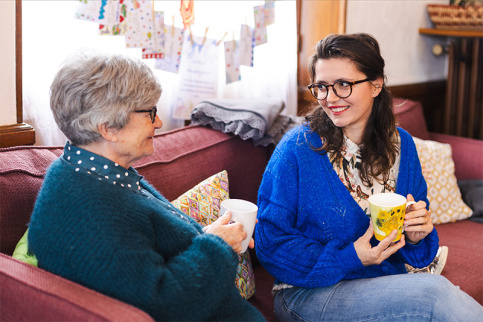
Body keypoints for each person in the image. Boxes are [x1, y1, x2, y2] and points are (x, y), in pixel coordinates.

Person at [255, 33, 483, 321]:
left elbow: (416, 248)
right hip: (307, 292)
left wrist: (416, 235)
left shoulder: (403, 146)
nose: (330, 98)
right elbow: (270, 243)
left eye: (343, 85)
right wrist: (351, 256)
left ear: (376, 84)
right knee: (434, 295)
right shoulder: (296, 149)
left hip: (382, 283)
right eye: (322, 87)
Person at [27, 52, 265, 321]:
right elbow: (163, 305)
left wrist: (206, 234)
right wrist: (217, 244)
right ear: (108, 129)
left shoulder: (96, 173)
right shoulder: (92, 212)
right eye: (150, 112)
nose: (159, 122)